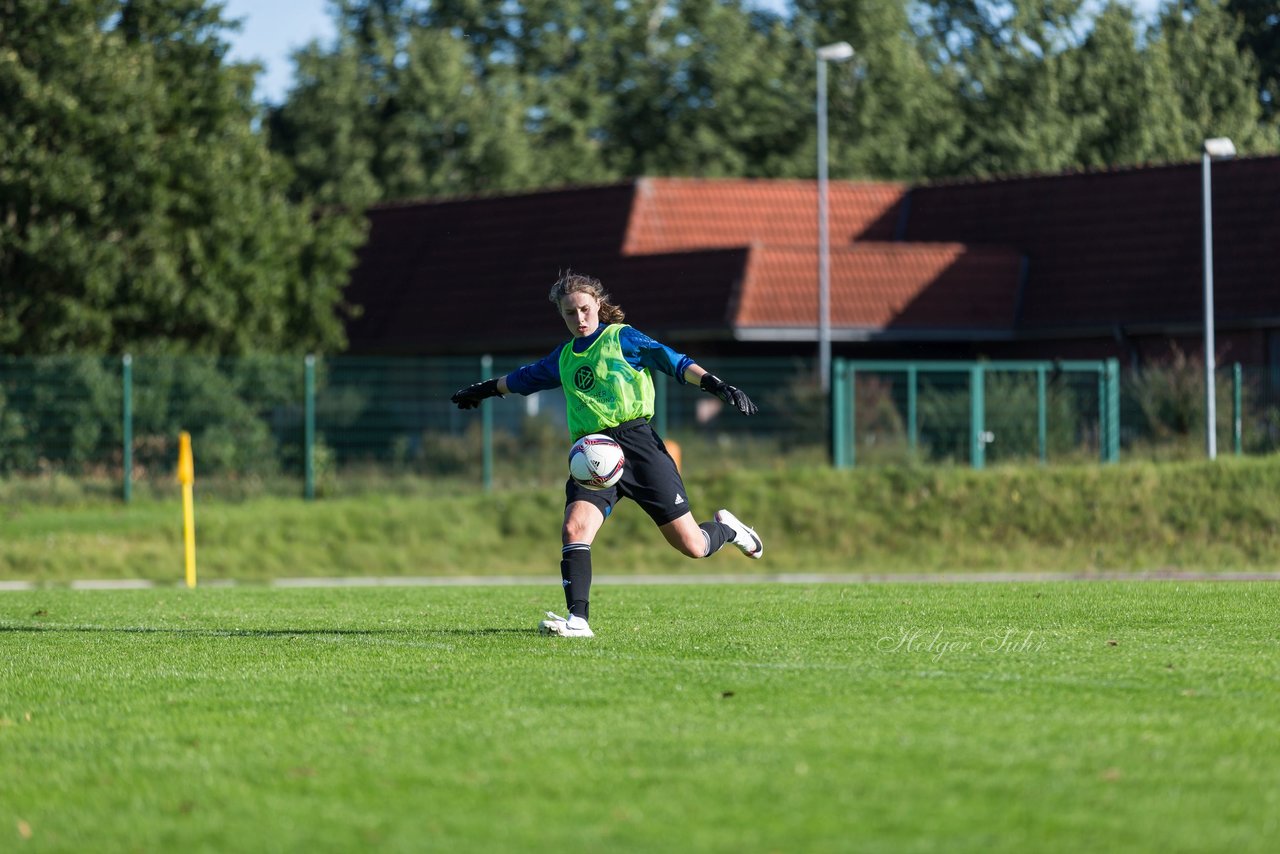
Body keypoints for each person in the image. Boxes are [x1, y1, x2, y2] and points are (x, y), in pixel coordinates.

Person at [450, 271, 763, 638]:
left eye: (584, 309)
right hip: (592, 454)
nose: (579, 319)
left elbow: (673, 361)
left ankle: (728, 529)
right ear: (562, 315)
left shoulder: (622, 338)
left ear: (598, 304)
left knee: (693, 546)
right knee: (573, 528)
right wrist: (483, 390)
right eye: (570, 313)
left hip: (639, 446)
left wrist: (715, 384)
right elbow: (523, 378)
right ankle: (578, 621)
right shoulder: (564, 358)